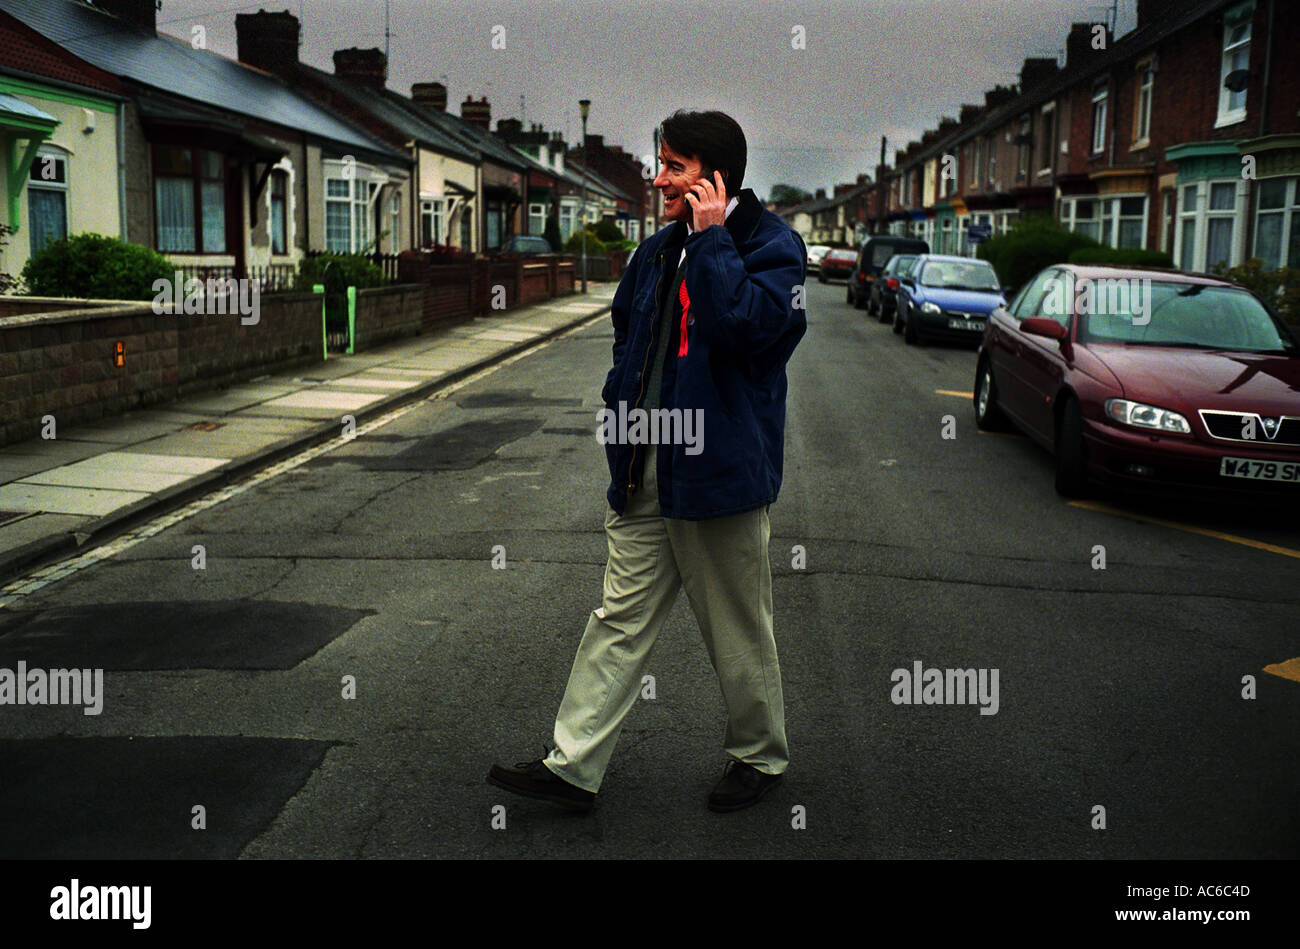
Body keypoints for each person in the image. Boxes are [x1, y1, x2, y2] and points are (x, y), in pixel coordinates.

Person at [488, 109, 807, 813]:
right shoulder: (655, 252)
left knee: (738, 626)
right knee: (617, 619)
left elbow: (743, 329)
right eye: (658, 163)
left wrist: (714, 237)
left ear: (715, 177)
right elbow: (627, 340)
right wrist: (619, 423)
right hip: (645, 469)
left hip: (720, 477)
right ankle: (572, 767)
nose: (659, 178)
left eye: (675, 167)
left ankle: (759, 754)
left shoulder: (773, 248)